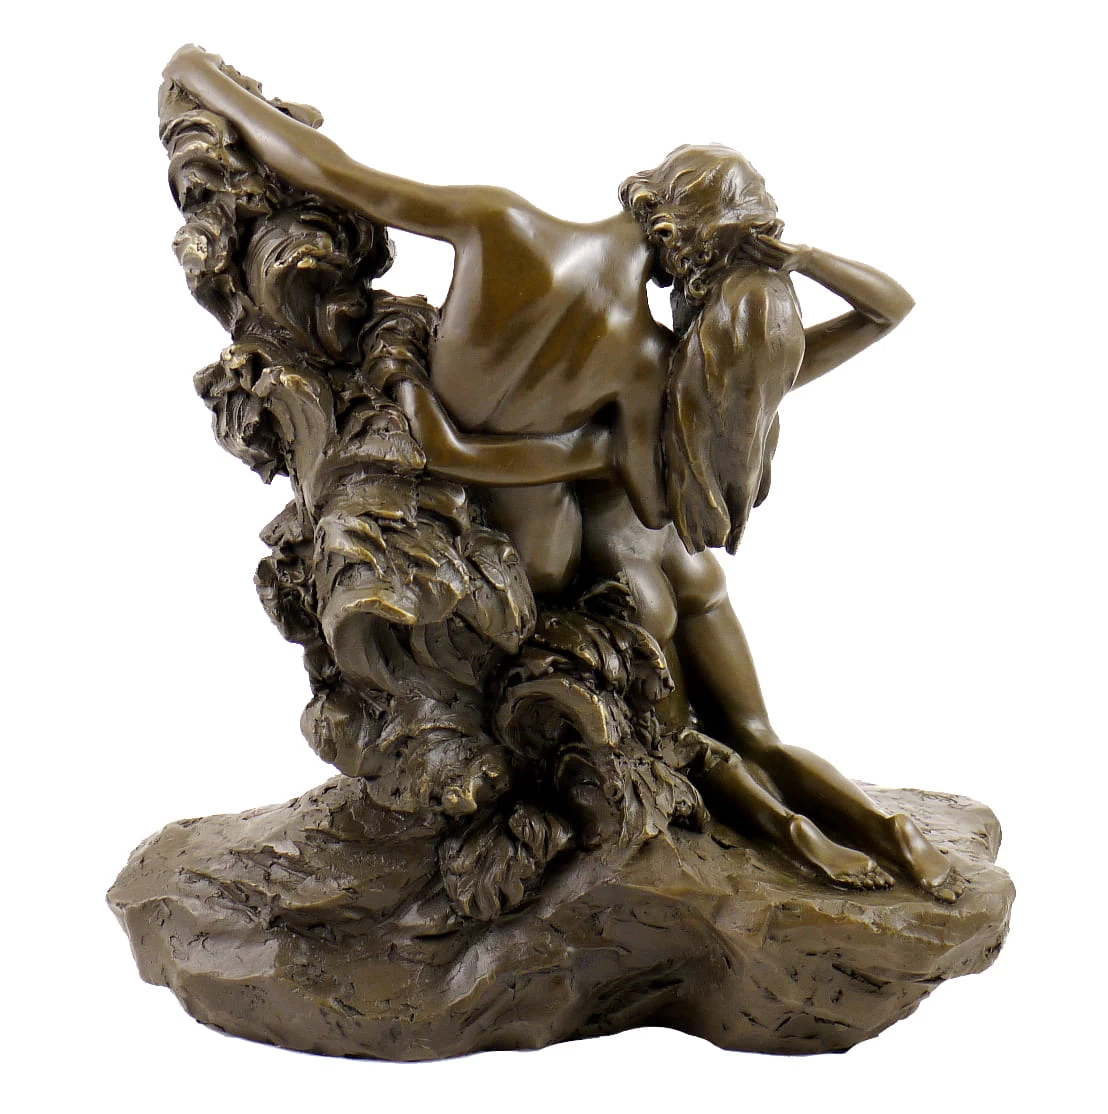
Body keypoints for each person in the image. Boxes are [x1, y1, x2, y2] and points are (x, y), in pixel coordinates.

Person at [163, 46, 963, 900]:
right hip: (633, 567)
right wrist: (784, 259)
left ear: (647, 192)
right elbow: (653, 492)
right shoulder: (648, 359)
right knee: (749, 733)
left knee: (692, 742)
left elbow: (335, 171)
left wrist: (206, 83)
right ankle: (878, 836)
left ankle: (796, 836)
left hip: (538, 568)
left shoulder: (502, 224)